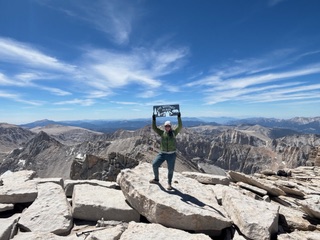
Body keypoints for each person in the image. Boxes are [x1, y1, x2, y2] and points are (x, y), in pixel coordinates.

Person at [149, 112, 182, 190]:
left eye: (168, 126)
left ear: (170, 127)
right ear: (164, 127)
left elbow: (180, 126)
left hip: (171, 154)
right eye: (166, 126)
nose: (167, 127)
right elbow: (154, 128)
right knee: (154, 164)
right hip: (162, 153)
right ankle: (156, 179)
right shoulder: (162, 133)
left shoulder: (174, 133)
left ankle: (169, 184)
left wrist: (179, 117)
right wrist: (154, 119)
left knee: (170, 169)